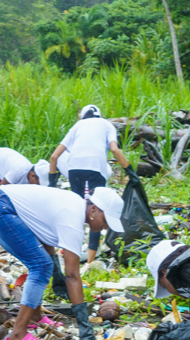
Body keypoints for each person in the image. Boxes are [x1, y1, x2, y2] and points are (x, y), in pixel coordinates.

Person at [0, 184, 124, 340]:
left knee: (43, 264)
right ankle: (17, 334)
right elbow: (72, 275)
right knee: (40, 266)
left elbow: (44, 234)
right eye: (105, 220)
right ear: (94, 209)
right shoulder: (73, 220)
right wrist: (84, 325)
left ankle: (35, 316)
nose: (106, 226)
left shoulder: (75, 205)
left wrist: (56, 271)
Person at [49, 105, 139, 263]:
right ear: (100, 115)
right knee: (98, 210)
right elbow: (115, 150)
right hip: (96, 167)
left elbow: (54, 156)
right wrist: (131, 173)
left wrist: (51, 184)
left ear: (83, 116)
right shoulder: (107, 124)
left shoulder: (77, 126)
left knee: (76, 210)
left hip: (74, 168)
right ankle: (90, 261)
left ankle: (70, 253)